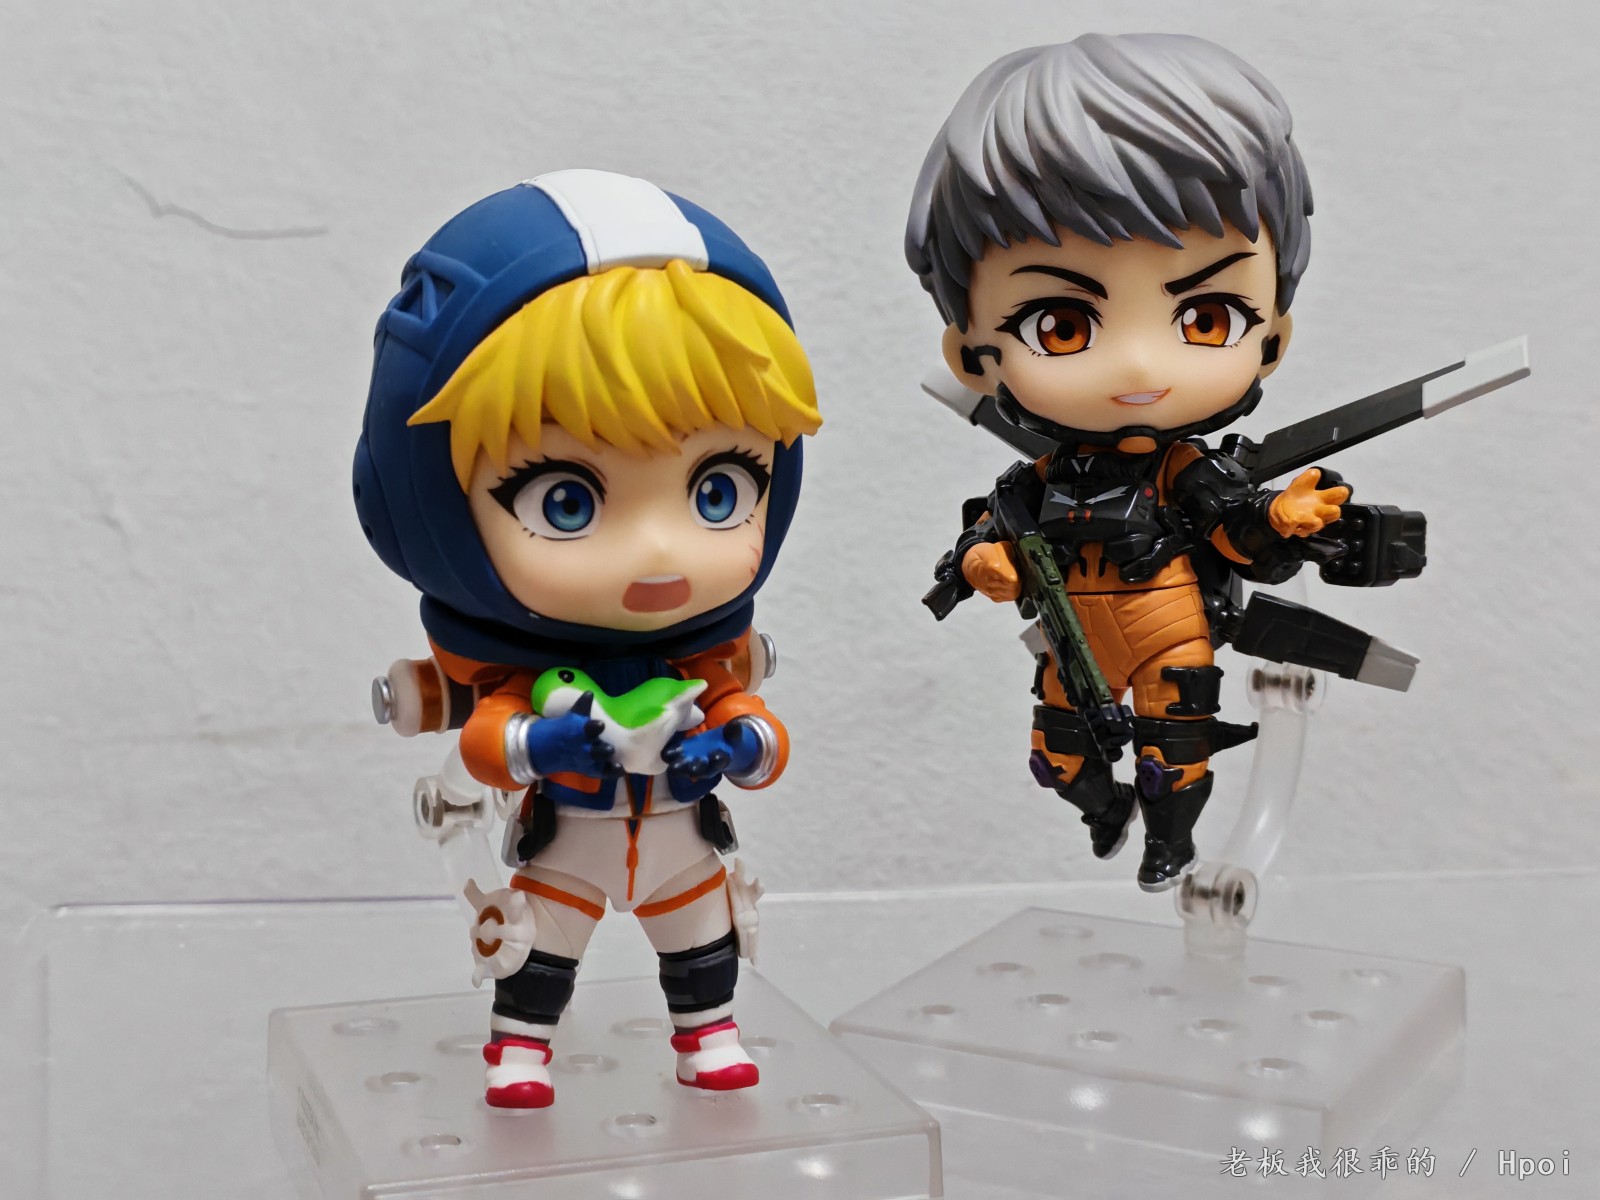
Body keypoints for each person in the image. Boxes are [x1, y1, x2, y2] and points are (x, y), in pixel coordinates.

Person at [354, 169, 820, 1106]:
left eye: (717, 490)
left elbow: (758, 728)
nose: (658, 552)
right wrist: (543, 744)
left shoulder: (704, 660)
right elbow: (486, 740)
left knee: (703, 939)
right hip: (569, 840)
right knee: (540, 948)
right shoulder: (526, 674)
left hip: (680, 838)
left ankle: (709, 1036)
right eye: (565, 502)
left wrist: (737, 745)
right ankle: (520, 1051)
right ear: (432, 501)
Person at [907, 35, 1353, 891]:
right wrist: (983, 562)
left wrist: (1280, 517)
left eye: (1207, 318)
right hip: (1072, 636)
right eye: (1063, 327)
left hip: (1166, 624)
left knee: (1170, 759)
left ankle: (1168, 843)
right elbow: (981, 536)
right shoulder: (1035, 483)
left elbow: (1233, 530)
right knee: (1057, 761)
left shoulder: (1183, 472)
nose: (1140, 367)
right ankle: (1104, 811)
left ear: (1271, 339)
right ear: (971, 356)